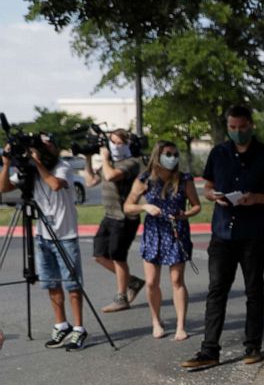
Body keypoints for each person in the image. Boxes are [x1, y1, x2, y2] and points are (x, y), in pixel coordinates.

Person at [181, 105, 264, 370]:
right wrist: (212, 195)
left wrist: (257, 198)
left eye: (241, 127)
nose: (237, 132)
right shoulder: (219, 153)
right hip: (222, 232)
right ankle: (209, 350)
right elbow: (207, 186)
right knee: (217, 290)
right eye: (232, 127)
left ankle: (253, 345)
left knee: (254, 288)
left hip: (255, 233)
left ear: (250, 125)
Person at [1, 136, 88, 350]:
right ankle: (61, 324)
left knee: (72, 284)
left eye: (48, 144)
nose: (44, 147)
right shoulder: (30, 169)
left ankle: (79, 329)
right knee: (51, 282)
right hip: (42, 235)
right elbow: (4, 188)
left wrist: (38, 163)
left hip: (65, 234)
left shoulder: (63, 166)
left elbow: (55, 184)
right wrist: (6, 163)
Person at [123, 140, 201, 340]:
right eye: (168, 153)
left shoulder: (184, 179)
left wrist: (185, 214)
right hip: (153, 232)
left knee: (177, 280)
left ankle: (180, 325)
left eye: (175, 154)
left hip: (177, 230)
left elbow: (196, 205)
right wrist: (144, 207)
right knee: (151, 282)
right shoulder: (145, 179)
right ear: (158, 155)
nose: (173, 158)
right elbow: (128, 206)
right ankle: (156, 321)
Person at [83, 129, 146, 312]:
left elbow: (111, 176)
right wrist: (88, 158)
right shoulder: (110, 163)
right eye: (114, 142)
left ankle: (121, 298)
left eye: (120, 143)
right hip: (109, 216)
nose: (116, 147)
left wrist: (104, 158)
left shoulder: (131, 163)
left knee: (118, 257)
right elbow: (90, 181)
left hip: (125, 217)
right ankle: (132, 281)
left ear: (128, 145)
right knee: (99, 255)